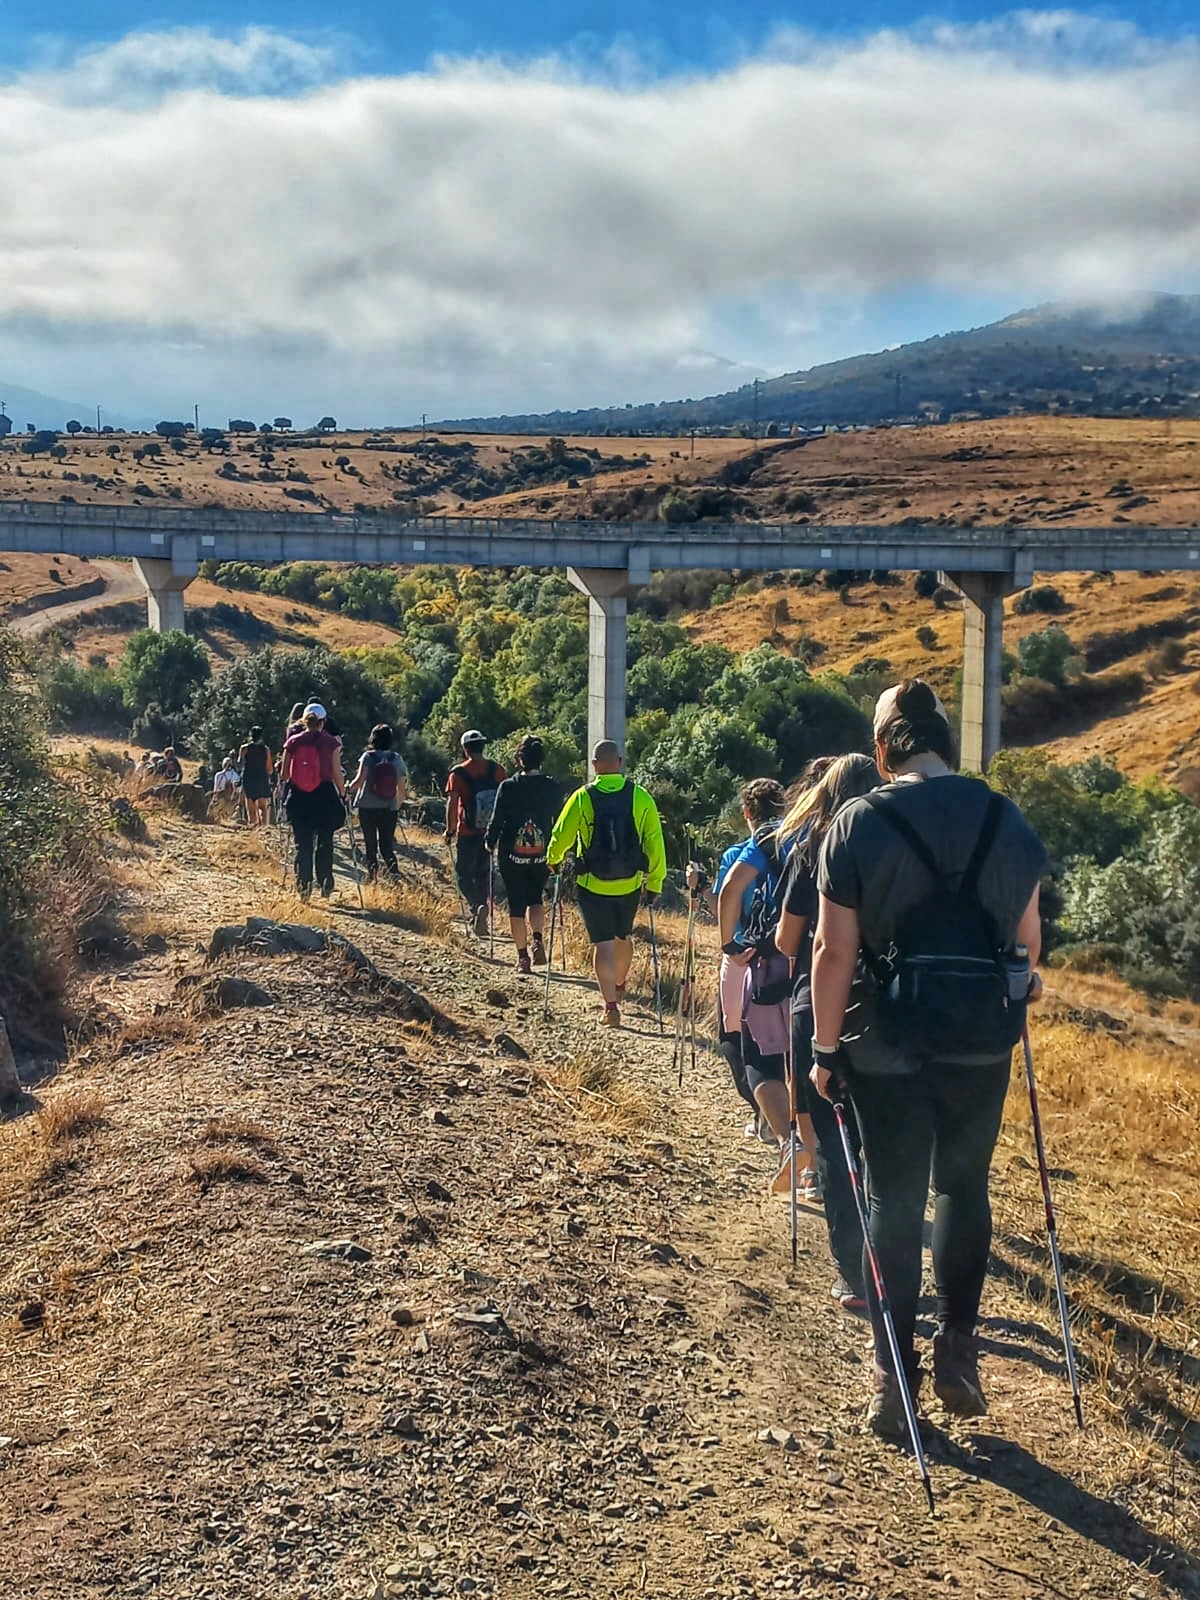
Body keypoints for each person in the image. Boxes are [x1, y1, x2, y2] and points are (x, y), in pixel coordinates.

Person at [809, 680, 1046, 1438]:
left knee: (893, 1199)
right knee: (964, 1189)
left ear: (883, 751)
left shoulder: (856, 822)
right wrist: (1018, 985)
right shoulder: (1004, 818)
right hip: (980, 1041)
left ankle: (891, 1374)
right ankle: (961, 1347)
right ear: (946, 740)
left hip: (885, 1044)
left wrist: (821, 1049)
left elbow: (831, 950)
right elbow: (1027, 943)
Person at [774, 754, 880, 1314]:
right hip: (884, 1009)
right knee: (881, 1145)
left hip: (816, 1006)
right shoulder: (891, 839)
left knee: (838, 1148)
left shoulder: (812, 847)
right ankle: (891, 1264)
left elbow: (789, 941)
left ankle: (855, 1276)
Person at [687, 779, 786, 1139]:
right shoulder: (799, 847)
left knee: (735, 1040)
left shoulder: (736, 855)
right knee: (783, 1042)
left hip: (742, 960)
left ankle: (764, 1112)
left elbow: (722, 907)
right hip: (786, 958)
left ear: (747, 813)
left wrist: (698, 889)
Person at [546, 740, 666, 1027]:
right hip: (629, 883)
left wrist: (553, 859)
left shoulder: (582, 797)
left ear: (595, 764)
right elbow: (655, 843)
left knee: (603, 944)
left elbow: (561, 833)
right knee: (622, 937)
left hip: (592, 883)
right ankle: (621, 983)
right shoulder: (640, 797)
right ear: (620, 762)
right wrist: (655, 883)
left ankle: (610, 1006)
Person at [485, 735, 561, 974]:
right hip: (542, 853)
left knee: (516, 904)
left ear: (519, 760)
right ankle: (537, 938)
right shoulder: (552, 787)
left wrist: (490, 842)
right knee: (535, 898)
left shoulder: (508, 786)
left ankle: (522, 958)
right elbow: (558, 821)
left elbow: (497, 819)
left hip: (511, 854)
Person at [279, 702, 347, 900]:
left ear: (304, 720)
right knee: (325, 842)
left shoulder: (292, 742)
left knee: (303, 844)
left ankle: (304, 889)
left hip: (298, 797)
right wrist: (343, 792)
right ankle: (325, 885)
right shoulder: (331, 743)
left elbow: (284, 773)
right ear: (323, 721)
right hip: (324, 796)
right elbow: (336, 772)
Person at [445, 731, 507, 937]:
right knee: (484, 875)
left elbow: (453, 803)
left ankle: (476, 906)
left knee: (462, 875)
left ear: (465, 748)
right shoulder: (497, 770)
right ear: (483, 745)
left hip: (467, 831)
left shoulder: (458, 773)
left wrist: (450, 830)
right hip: (490, 832)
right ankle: (481, 916)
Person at [349, 724, 408, 882]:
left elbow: (359, 781)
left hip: (367, 807)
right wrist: (397, 805)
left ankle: (372, 876)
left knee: (370, 844)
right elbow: (401, 788)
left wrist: (346, 788)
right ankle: (394, 875)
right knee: (386, 846)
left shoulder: (368, 757)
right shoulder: (397, 759)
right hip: (388, 808)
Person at [238, 726, 275, 827]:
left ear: (250, 735)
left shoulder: (244, 748)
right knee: (263, 806)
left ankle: (253, 825)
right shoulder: (266, 749)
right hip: (261, 777)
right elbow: (270, 769)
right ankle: (264, 827)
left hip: (248, 776)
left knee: (250, 802)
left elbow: (240, 764)